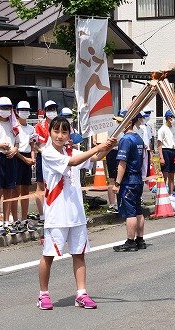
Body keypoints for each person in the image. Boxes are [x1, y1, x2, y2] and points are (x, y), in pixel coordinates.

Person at [37, 116, 115, 310]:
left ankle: (81, 294)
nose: (60, 136)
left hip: (76, 214)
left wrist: (110, 145)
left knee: (78, 254)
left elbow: (95, 158)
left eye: (64, 132)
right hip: (56, 214)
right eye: (56, 131)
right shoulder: (47, 153)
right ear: (50, 132)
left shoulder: (71, 150)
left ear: (69, 134)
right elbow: (72, 162)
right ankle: (43, 294)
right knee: (49, 255)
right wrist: (97, 147)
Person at [112, 112, 146, 252]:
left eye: (121, 121)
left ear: (129, 123)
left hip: (128, 179)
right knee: (138, 209)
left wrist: (117, 183)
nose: (119, 124)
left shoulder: (126, 139)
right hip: (138, 178)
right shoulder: (138, 138)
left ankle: (130, 241)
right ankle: (140, 240)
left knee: (130, 211)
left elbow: (122, 163)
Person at [0, 97, 20, 235]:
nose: (5, 111)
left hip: (10, 157)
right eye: (3, 108)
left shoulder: (14, 122)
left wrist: (14, 149)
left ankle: (7, 221)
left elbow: (17, 142)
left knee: (9, 191)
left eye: (8, 108)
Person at [11, 101, 38, 232]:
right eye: (22, 110)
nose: (25, 112)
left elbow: (33, 145)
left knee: (26, 190)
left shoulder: (31, 128)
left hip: (27, 157)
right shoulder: (14, 126)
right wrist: (25, 159)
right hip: (17, 157)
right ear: (16, 111)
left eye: (27, 110)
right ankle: (15, 220)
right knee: (15, 190)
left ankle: (24, 219)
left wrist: (32, 159)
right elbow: (13, 147)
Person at [33, 100, 59, 225]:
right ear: (44, 111)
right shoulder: (39, 126)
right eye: (49, 109)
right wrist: (41, 151)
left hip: (57, 157)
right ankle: (42, 215)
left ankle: (54, 213)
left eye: (54, 109)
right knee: (40, 185)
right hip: (43, 156)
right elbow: (33, 143)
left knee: (56, 184)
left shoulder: (59, 124)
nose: (52, 112)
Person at [157, 110, 175, 196]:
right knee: (165, 174)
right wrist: (161, 157)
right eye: (173, 117)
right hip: (165, 151)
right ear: (168, 118)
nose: (174, 119)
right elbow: (159, 144)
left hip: (173, 151)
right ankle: (163, 194)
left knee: (172, 175)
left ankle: (171, 193)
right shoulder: (162, 129)